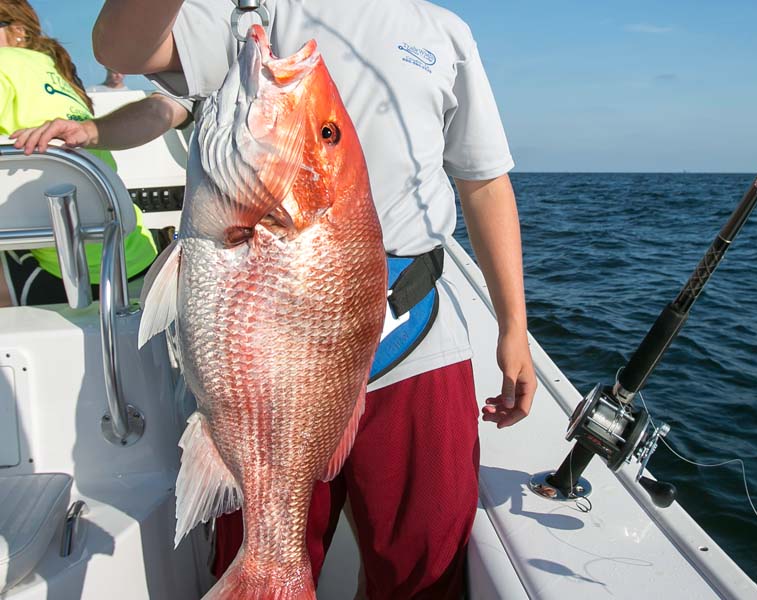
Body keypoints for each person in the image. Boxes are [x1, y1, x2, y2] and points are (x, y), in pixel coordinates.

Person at [94, 1, 537, 597]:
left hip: (414, 329)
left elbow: (483, 181)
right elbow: (122, 49)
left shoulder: (445, 31)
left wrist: (514, 325)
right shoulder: (250, 8)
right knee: (260, 535)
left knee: (423, 560)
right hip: (266, 356)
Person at [0, 0, 159, 306]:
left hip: (60, 277)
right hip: (134, 258)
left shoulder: (4, 66)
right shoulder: (58, 73)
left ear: (18, 32)